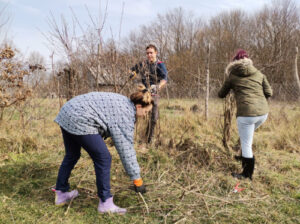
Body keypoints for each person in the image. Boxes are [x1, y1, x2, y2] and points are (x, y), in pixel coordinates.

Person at [53, 85, 152, 214]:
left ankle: (61, 194)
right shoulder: (126, 114)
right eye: (146, 112)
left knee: (72, 154)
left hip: (67, 112)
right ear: (139, 106)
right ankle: (105, 203)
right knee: (103, 158)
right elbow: (126, 150)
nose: (145, 116)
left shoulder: (123, 101)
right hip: (80, 119)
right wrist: (137, 179)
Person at [218, 49, 273, 180]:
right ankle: (244, 157)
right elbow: (269, 92)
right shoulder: (259, 74)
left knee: (247, 143)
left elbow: (221, 94)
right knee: (247, 138)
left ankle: (247, 174)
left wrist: (233, 88)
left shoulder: (232, 75)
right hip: (263, 113)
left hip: (246, 115)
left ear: (234, 62)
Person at [131, 44, 168, 143]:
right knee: (133, 112)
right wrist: (132, 73)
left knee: (153, 118)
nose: (149, 55)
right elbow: (132, 70)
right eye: (147, 53)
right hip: (143, 92)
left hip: (153, 93)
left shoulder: (160, 65)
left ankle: (149, 140)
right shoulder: (143, 64)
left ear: (156, 53)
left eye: (151, 53)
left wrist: (158, 86)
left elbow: (165, 79)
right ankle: (129, 136)